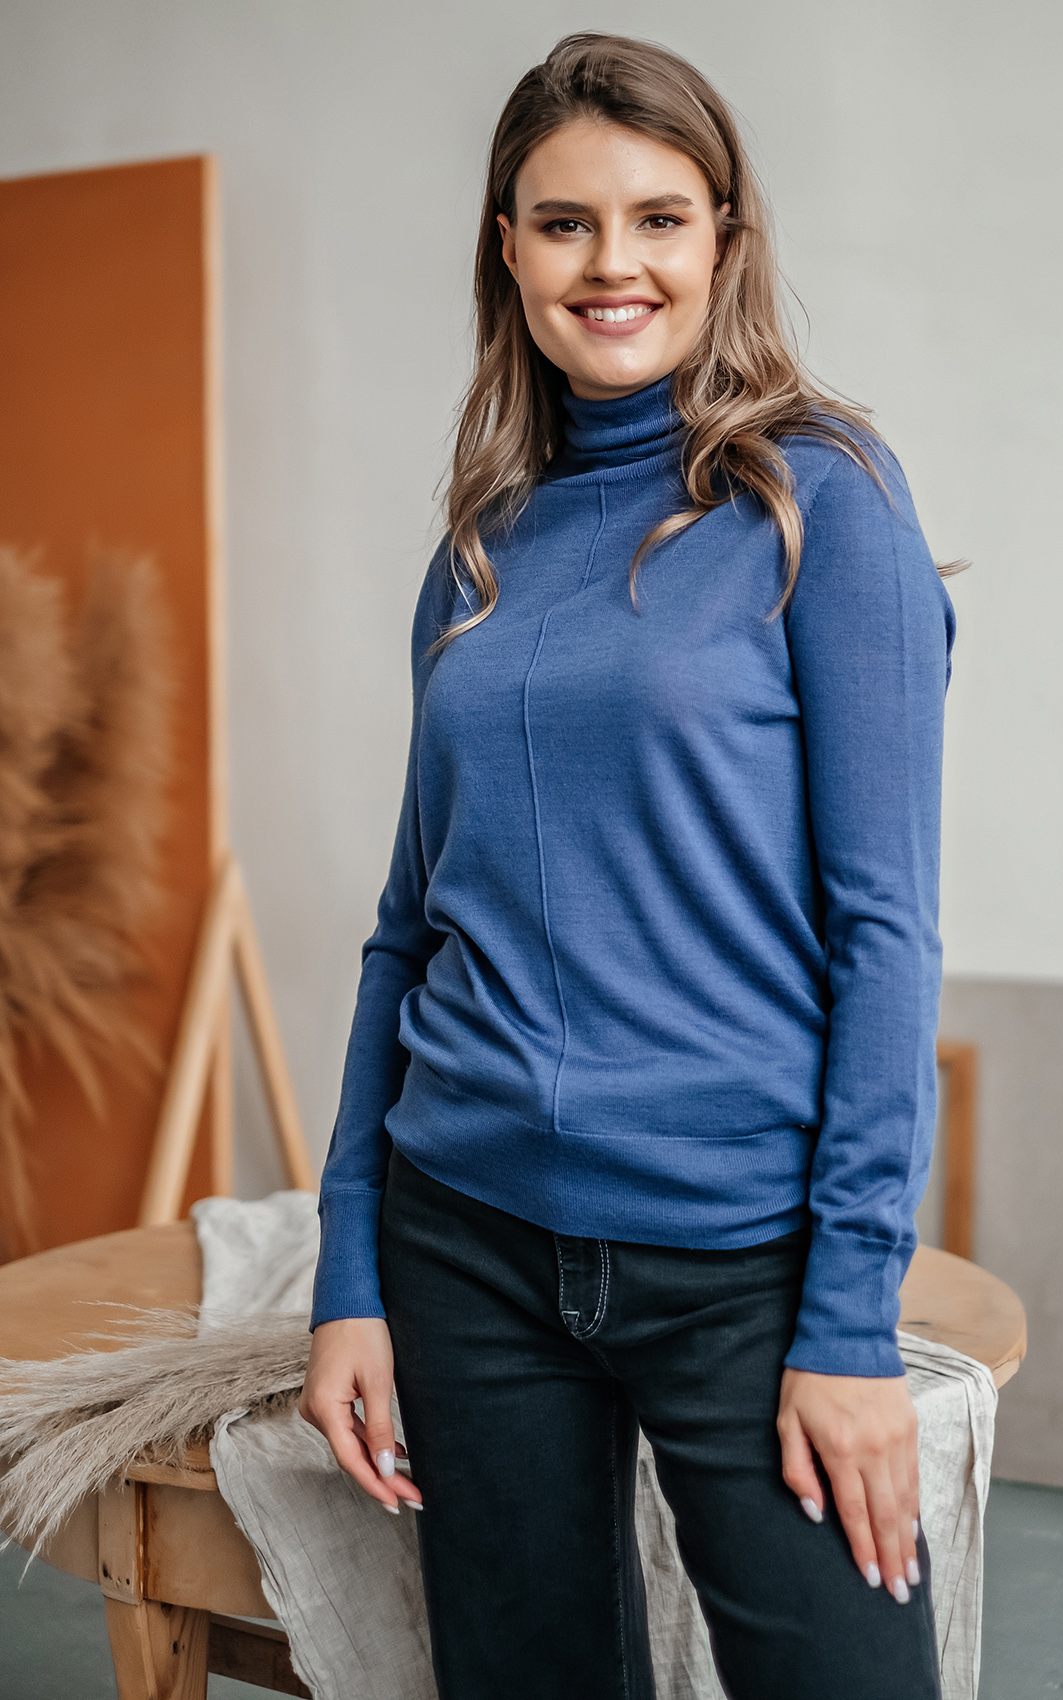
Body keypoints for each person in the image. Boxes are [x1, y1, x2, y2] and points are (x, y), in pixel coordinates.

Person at [299, 32, 955, 1700]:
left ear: (723, 241)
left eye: (659, 218)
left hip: (742, 1257)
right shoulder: (479, 552)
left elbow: (886, 934)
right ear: (508, 251)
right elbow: (405, 937)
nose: (615, 264)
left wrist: (848, 1318)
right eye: (565, 222)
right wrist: (351, 1273)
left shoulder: (821, 504)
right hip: (466, 1244)